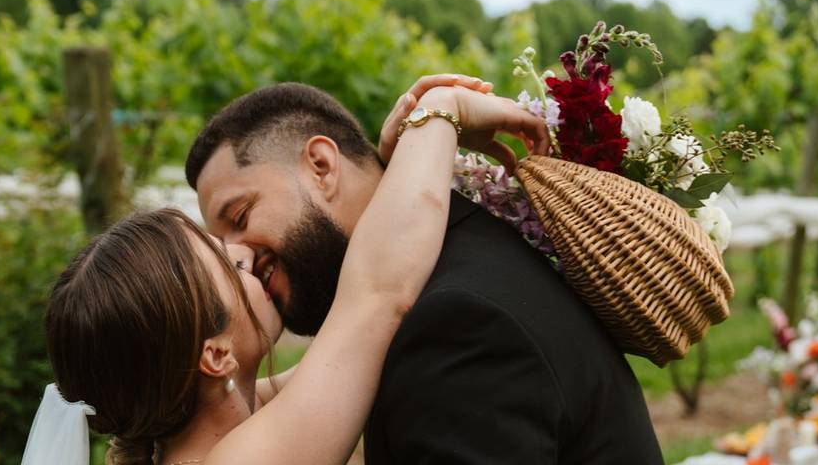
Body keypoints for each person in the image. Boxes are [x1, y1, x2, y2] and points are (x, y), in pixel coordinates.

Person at [27, 77, 550, 465]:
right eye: (226, 264)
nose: (245, 255)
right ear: (214, 354)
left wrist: (392, 165)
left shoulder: (190, 434)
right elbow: (376, 292)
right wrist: (439, 110)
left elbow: (349, 352)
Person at [186, 78, 664, 464]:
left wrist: (434, 119)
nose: (239, 257)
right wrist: (435, 121)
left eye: (241, 217)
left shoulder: (453, 322)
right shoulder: (449, 263)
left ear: (321, 165)